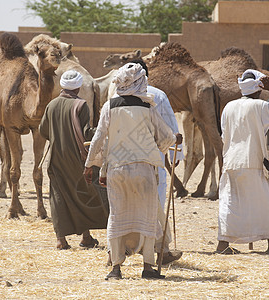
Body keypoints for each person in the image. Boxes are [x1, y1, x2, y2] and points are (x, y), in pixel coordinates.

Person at [84, 63, 183, 279]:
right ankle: (148, 268)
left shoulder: (109, 107)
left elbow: (99, 138)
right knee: (147, 217)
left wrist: (90, 165)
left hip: (117, 170)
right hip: (144, 170)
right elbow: (166, 138)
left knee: (117, 216)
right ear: (140, 81)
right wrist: (172, 141)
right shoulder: (149, 107)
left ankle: (116, 268)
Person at [216, 69, 269, 254]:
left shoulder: (229, 107)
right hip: (252, 161)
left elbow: (224, 135)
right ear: (259, 88)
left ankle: (223, 244)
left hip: (231, 162)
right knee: (265, 202)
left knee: (231, 203)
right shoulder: (259, 105)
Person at [39, 70, 108, 250]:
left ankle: (61, 240)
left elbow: (43, 131)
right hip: (77, 159)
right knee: (83, 194)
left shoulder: (51, 105)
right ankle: (85, 237)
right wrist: (103, 131)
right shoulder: (80, 105)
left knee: (58, 196)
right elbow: (86, 133)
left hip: (56, 158)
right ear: (77, 87)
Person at [131, 59, 184, 265]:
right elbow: (171, 129)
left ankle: (116, 252)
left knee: (123, 205)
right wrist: (175, 155)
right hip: (153, 160)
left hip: (125, 161)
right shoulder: (157, 95)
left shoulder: (116, 97)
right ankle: (157, 251)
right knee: (156, 207)